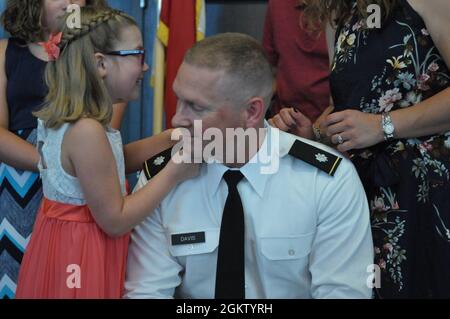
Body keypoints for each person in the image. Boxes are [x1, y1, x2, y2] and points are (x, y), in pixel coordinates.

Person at [124, 33, 374, 299]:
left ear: (252, 112)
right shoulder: (162, 179)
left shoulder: (325, 181)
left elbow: (343, 293)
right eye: (179, 99)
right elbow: (146, 291)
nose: (177, 119)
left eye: (196, 107)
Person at [15, 7, 198, 299]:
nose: (146, 67)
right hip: (81, 257)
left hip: (68, 248)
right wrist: (174, 172)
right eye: (137, 54)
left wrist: (168, 139)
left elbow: (110, 164)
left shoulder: (78, 120)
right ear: (101, 64)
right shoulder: (87, 130)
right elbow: (116, 220)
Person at [283, 0, 449, 298]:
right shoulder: (345, 12)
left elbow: (374, 118)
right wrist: (314, 135)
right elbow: (350, 102)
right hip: (366, 192)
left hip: (431, 190)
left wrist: (383, 125)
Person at [0, 0, 125, 299]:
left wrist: (66, 163)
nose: (72, 1)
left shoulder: (104, 56)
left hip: (81, 184)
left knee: (74, 280)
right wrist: (49, 160)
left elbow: (107, 123)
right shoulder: (6, 52)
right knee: (19, 276)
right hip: (20, 183)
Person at [263, 0, 330, 124]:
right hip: (281, 121)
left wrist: (317, 133)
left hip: (331, 128)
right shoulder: (278, 4)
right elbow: (268, 66)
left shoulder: (347, 10)